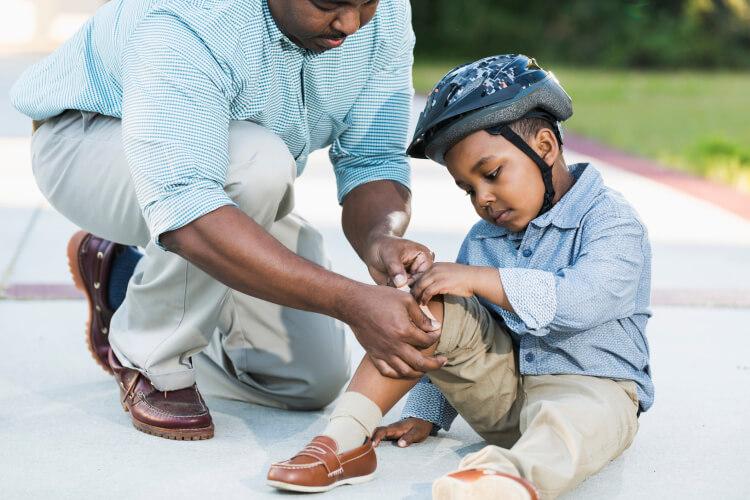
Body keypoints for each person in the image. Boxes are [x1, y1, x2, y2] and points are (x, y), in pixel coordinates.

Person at [9, 0, 446, 441]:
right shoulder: (192, 14)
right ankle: (150, 355)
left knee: (308, 381)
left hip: (229, 173)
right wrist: (350, 301)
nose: (351, 23)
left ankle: (121, 284)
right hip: (90, 140)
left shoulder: (385, 12)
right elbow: (187, 207)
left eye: (365, 3)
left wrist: (380, 239)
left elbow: (372, 157)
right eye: (328, 4)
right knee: (258, 165)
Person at [267, 54, 653, 499]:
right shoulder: (484, 239)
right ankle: (343, 440)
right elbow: (451, 343)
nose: (483, 199)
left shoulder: (611, 222)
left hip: (592, 390)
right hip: (504, 397)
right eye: (468, 189)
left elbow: (585, 301)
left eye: (491, 174)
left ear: (545, 147)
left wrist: (478, 279)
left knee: (572, 426)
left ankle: (505, 479)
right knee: (429, 304)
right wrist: (428, 412)